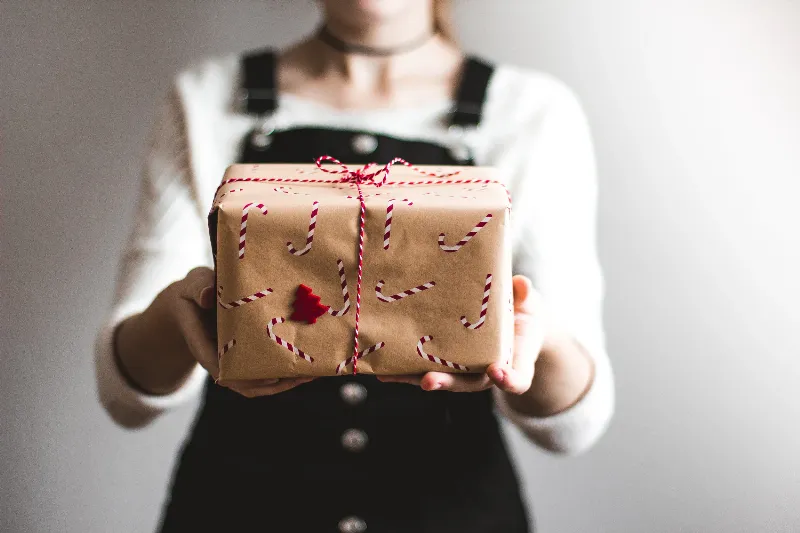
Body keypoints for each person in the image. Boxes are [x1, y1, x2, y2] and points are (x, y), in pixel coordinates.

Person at [94, 0, 614, 531]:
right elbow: (125, 397)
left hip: (453, 512)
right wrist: (180, 309)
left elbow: (575, 427)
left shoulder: (532, 109)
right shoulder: (207, 96)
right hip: (240, 509)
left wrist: (534, 338)